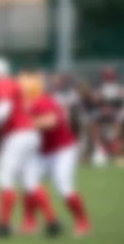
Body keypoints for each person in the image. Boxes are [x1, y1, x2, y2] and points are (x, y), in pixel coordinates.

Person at [0, 57, 61, 238]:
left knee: (4, 177)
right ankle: (52, 221)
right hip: (27, 135)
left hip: (18, 135)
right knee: (30, 181)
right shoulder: (4, 85)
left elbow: (2, 112)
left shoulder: (3, 84)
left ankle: (4, 225)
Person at [26, 81, 91, 236]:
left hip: (62, 149)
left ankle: (82, 221)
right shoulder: (32, 102)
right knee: (30, 183)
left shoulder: (43, 101)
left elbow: (50, 122)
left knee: (63, 185)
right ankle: (31, 222)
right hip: (42, 150)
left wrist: (24, 124)